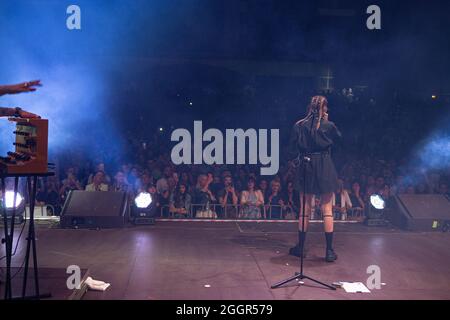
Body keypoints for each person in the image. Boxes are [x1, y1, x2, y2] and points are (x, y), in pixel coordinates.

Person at [288, 95, 341, 262]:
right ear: (324, 108)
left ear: (309, 107)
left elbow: (292, 147)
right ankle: (329, 251)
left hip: (307, 164)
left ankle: (301, 248)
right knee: (327, 209)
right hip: (324, 164)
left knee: (305, 209)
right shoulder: (329, 126)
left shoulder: (299, 125)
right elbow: (339, 142)